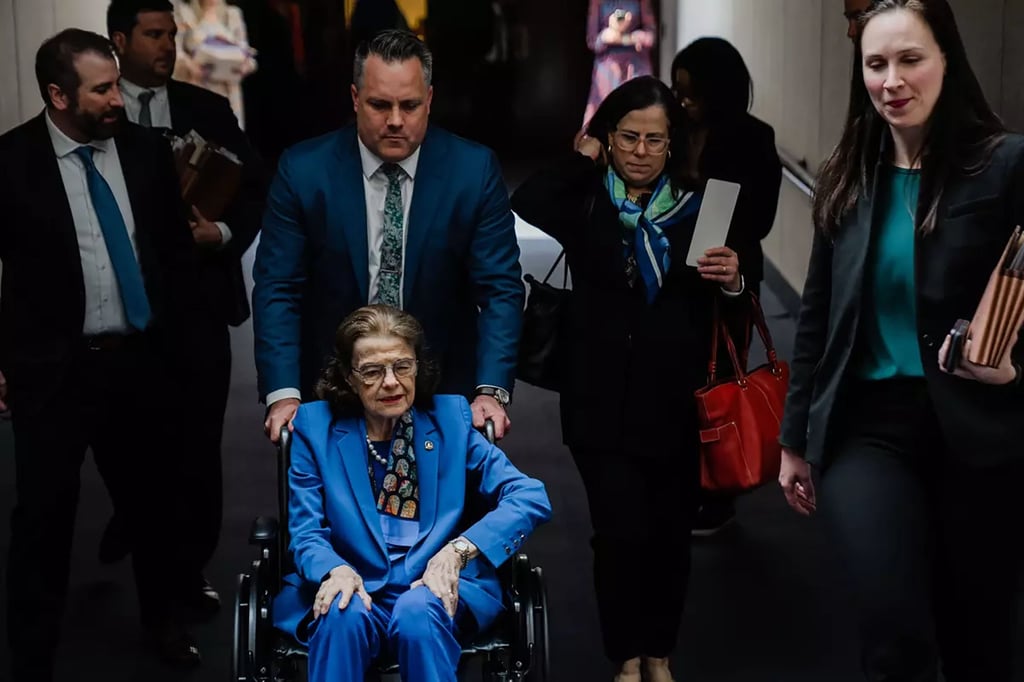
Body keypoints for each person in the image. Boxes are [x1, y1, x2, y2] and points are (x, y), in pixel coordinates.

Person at [777, 1, 1024, 680]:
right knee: (893, 630)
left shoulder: (1004, 167)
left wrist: (1012, 369)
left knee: (980, 641)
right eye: (876, 64)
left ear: (947, 59)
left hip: (980, 432)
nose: (892, 80)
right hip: (869, 431)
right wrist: (795, 438)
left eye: (910, 59)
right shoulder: (849, 176)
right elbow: (818, 320)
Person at [510, 75, 749, 682]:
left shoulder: (710, 203)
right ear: (608, 138)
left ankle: (660, 653)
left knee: (668, 537)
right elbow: (528, 201)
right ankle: (626, 655)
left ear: (674, 146)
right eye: (627, 137)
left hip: (677, 402)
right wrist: (579, 156)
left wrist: (734, 282)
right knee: (617, 535)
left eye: (654, 140)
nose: (640, 151)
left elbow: (733, 308)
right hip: (598, 401)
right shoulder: (586, 197)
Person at [0, 29, 207, 678]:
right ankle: (32, 651)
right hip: (54, 372)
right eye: (102, 89)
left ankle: (163, 623)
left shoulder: (144, 153)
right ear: (59, 95)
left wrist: (180, 348)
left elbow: (173, 259)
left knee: (154, 503)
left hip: (139, 362)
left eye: (117, 83)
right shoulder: (11, 163)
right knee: (43, 517)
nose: (119, 98)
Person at [253, 29, 524, 445]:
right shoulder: (304, 171)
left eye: (410, 105)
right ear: (355, 98)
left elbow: (500, 289)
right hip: (332, 389)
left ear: (429, 100)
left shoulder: (472, 171)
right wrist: (283, 394)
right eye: (380, 105)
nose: (396, 120)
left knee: (448, 508)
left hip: (443, 390)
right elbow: (278, 288)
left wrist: (491, 390)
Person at [271, 304, 552, 682]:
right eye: (372, 371)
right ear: (349, 377)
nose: (391, 382)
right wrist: (334, 569)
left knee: (420, 610)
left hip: (431, 585)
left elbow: (529, 495)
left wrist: (458, 553)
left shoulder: (450, 421)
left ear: (418, 366)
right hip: (351, 579)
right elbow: (305, 530)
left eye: (402, 366)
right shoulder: (315, 427)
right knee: (340, 611)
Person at [104, 0, 269, 608]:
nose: (166, 46)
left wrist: (222, 236)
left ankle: (185, 573)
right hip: (122, 314)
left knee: (198, 448)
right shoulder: (101, 112)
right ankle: (135, 516)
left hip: (199, 306)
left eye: (171, 35)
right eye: (152, 35)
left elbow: (255, 188)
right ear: (119, 39)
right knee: (128, 444)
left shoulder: (207, 110)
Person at [670, 37, 782, 536]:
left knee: (722, 381)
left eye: (692, 93)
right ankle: (684, 483)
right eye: (678, 92)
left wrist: (722, 247)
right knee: (681, 382)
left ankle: (719, 493)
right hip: (676, 274)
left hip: (727, 273)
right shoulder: (672, 129)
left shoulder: (752, 137)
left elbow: (760, 217)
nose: (684, 103)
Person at [175, 0, 257, 127]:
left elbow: (249, 57)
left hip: (229, 93)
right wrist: (191, 66)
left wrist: (244, 66)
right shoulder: (185, 13)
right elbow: (177, 52)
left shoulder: (232, 14)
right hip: (199, 90)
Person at [582, 0, 656, 128]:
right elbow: (592, 40)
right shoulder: (596, 2)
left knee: (639, 115)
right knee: (606, 119)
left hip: (635, 67)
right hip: (608, 68)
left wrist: (629, 38)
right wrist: (606, 36)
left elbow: (651, 36)